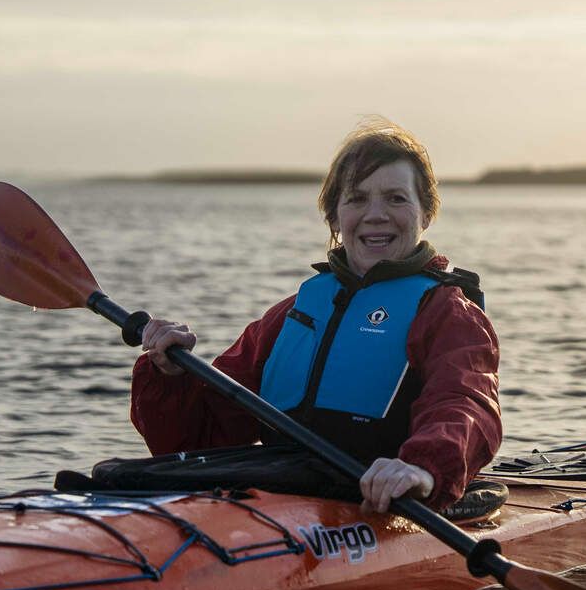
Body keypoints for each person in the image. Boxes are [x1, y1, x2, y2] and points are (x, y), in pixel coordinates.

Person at [130, 120, 500, 514]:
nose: (376, 214)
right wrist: (172, 376)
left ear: (425, 214)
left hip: (388, 501)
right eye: (357, 199)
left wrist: (423, 468)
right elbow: (195, 444)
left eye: (396, 199)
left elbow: (466, 402)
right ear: (335, 218)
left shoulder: (448, 314)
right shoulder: (289, 316)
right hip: (283, 502)